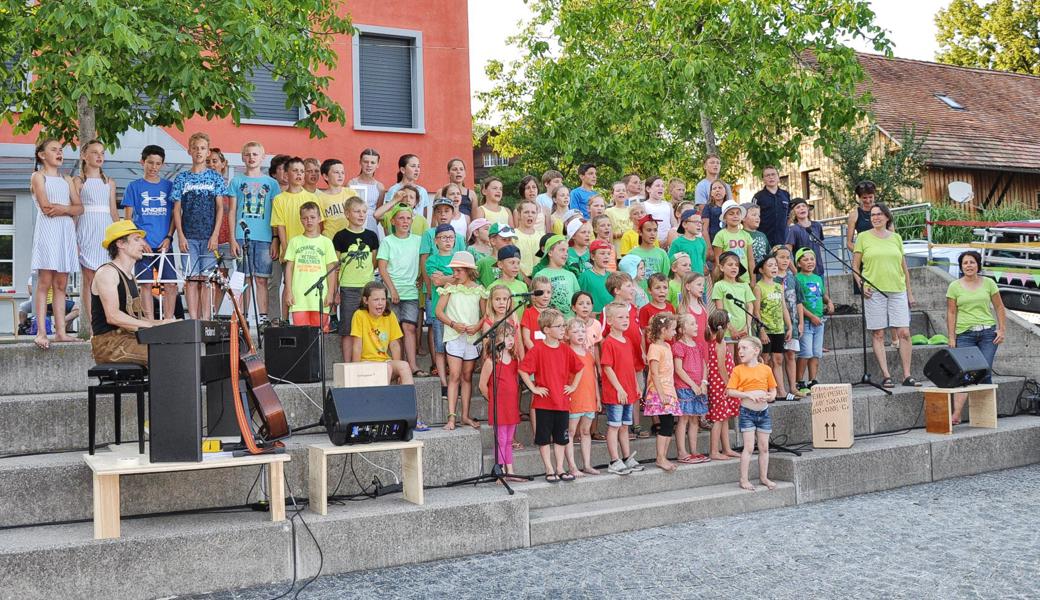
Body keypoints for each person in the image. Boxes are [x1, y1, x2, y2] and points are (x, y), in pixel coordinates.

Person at [851, 202, 919, 388]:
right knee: (879, 333)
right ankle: (886, 375)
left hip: (897, 289)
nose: (876, 217)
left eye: (879, 214)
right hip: (874, 291)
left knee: (904, 332)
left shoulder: (896, 237)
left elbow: (904, 267)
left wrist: (909, 293)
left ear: (887, 217)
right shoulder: (863, 237)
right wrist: (861, 284)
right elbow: (855, 267)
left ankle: (907, 375)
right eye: (872, 215)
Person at [90, 221, 172, 365]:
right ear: (121, 244)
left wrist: (164, 323)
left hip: (127, 339)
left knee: (176, 347)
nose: (142, 243)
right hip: (110, 345)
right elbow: (113, 316)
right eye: (136, 239)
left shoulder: (131, 277)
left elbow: (134, 318)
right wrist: (153, 326)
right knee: (166, 355)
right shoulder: (107, 273)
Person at [519, 308, 584, 483]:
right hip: (543, 403)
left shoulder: (565, 349)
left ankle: (560, 467)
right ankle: (549, 467)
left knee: (561, 438)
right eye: (559, 326)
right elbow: (523, 369)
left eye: (563, 325)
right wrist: (534, 388)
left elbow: (580, 367)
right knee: (544, 437)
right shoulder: (538, 349)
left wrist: (573, 386)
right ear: (547, 329)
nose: (563, 329)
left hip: (562, 402)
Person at [30, 138, 81, 349]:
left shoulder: (67, 179)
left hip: (65, 233)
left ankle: (61, 332)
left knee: (61, 284)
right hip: (48, 232)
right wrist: (66, 209)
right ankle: (42, 332)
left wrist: (63, 209)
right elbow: (45, 207)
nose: (59, 153)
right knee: (44, 283)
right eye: (54, 150)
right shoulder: (38, 176)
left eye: (61, 150)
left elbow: (79, 208)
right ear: (42, 155)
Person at [171, 132, 228, 320]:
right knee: (191, 279)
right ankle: (193, 319)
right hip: (189, 236)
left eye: (202, 148)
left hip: (208, 237)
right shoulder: (181, 178)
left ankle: (206, 319)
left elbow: (220, 208)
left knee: (207, 280)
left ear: (207, 151)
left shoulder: (215, 178)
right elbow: (177, 209)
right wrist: (180, 235)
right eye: (195, 148)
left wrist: (215, 235)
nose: (199, 152)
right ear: (189, 150)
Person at [946, 250, 1007, 424]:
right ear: (961, 266)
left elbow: (999, 307)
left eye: (972, 262)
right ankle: (957, 414)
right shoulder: (954, 286)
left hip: (988, 334)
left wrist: (1001, 330)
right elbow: (951, 312)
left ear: (978, 264)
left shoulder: (988, 283)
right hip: (964, 334)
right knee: (964, 372)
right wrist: (951, 337)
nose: (969, 266)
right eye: (965, 263)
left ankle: (985, 414)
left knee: (984, 369)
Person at [122, 144, 177, 320]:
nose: (154, 167)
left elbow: (175, 216)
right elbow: (128, 219)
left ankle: (168, 320)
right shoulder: (134, 187)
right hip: (142, 245)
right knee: (145, 284)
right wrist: (139, 241)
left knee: (170, 284)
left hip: (164, 244)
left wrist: (169, 237)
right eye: (150, 162)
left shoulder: (169, 186)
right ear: (142, 162)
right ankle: (149, 321)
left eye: (158, 163)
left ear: (162, 165)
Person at [436, 251, 487, 431]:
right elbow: (439, 311)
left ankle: (465, 415)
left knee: (467, 376)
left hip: (471, 337)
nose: (455, 274)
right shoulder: (450, 288)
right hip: (454, 336)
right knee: (455, 376)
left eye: (459, 271)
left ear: (468, 271)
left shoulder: (479, 290)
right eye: (454, 271)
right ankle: (451, 417)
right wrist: (453, 324)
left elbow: (486, 314)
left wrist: (478, 326)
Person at [231, 141, 281, 324]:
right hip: (242, 236)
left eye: (255, 154)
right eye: (248, 154)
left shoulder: (272, 184)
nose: (251, 157)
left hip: (265, 238)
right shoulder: (236, 181)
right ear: (243, 157)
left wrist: (275, 238)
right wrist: (232, 238)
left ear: (262, 157)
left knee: (262, 280)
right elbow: (232, 211)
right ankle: (243, 319)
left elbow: (276, 214)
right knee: (245, 279)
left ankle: (262, 319)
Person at [74, 139, 119, 332]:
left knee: (108, 275)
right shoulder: (78, 181)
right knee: (89, 277)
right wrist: (73, 238)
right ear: (84, 156)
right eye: (94, 152)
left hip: (105, 230)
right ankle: (95, 325)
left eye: (102, 152)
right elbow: (76, 211)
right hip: (86, 229)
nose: (100, 156)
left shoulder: (109, 182)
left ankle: (111, 318)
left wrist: (120, 235)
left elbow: (114, 211)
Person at [377, 202, 424, 377]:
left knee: (409, 327)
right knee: (395, 330)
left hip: (411, 291)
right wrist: (392, 290)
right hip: (392, 292)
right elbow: (382, 267)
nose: (405, 222)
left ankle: (412, 365)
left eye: (408, 218)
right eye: (401, 218)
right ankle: (397, 366)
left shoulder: (418, 240)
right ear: (394, 221)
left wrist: (420, 277)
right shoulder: (388, 241)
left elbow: (423, 262)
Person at [271, 157, 322, 320]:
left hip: (309, 250)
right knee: (288, 285)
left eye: (302, 171)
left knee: (306, 284)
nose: (299, 174)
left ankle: (308, 319)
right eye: (295, 171)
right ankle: (285, 320)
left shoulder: (312, 197)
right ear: (286, 174)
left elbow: (319, 225)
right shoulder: (280, 199)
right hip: (290, 250)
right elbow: (280, 225)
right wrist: (285, 249)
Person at [728, 336, 778, 491]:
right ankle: (744, 479)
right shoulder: (738, 370)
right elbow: (730, 391)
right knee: (748, 447)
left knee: (764, 447)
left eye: (744, 348)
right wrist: (748, 395)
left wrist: (772, 396)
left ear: (756, 351)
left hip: (763, 412)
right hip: (747, 413)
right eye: (739, 349)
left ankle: (763, 477)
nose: (740, 351)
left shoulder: (766, 369)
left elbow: (773, 389)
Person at [333, 196, 379, 363]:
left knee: (369, 326)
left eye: (364, 212)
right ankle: (348, 365)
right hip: (348, 288)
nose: (361, 215)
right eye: (356, 211)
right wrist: (335, 291)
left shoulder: (372, 236)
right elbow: (335, 267)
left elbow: (374, 261)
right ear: (347, 214)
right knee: (347, 328)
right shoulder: (340, 237)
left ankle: (367, 360)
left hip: (368, 288)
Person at [477, 321, 525, 481]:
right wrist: (493, 400)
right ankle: (501, 470)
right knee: (501, 439)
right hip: (499, 406)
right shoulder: (492, 362)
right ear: (497, 339)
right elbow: (482, 385)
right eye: (506, 336)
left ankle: (510, 470)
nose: (511, 339)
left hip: (511, 406)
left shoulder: (514, 359)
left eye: (512, 336)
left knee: (510, 439)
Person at [600, 302, 641, 475]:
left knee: (625, 426)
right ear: (609, 320)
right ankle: (614, 460)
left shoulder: (628, 340)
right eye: (620, 317)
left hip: (629, 391)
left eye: (627, 317)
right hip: (616, 392)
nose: (625, 320)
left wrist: (636, 385)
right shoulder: (609, 342)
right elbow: (607, 367)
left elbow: (630, 366)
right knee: (614, 426)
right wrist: (619, 388)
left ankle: (626, 457)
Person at [283, 202, 337, 330]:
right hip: (299, 297)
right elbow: (289, 268)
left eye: (312, 217)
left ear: (319, 219)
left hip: (320, 298)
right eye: (305, 218)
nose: (309, 221)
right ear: (301, 220)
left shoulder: (326, 242)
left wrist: (330, 293)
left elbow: (331, 269)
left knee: (318, 334)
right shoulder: (294, 242)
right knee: (301, 334)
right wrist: (289, 292)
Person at [350, 281, 414, 385]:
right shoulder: (359, 315)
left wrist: (397, 370)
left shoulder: (390, 316)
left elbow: (394, 345)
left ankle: (408, 400)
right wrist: (355, 372)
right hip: (366, 362)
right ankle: (384, 400)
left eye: (383, 299)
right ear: (365, 300)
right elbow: (357, 345)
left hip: (384, 361)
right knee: (386, 369)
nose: (380, 303)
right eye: (376, 299)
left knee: (404, 366)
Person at [425, 223, 458, 402]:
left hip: (457, 311)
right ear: (436, 241)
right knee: (440, 348)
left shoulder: (459, 258)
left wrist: (446, 278)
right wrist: (452, 278)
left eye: (451, 237)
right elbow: (436, 282)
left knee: (454, 349)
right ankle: (444, 383)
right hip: (440, 311)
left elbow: (463, 278)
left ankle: (454, 380)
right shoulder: (432, 260)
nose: (447, 241)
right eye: (444, 238)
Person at [644, 312, 681, 472]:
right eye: (672, 329)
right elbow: (654, 373)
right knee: (665, 425)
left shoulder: (667, 346)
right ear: (663, 329)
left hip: (669, 390)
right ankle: (660, 457)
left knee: (669, 425)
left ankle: (663, 456)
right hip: (660, 392)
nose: (675, 332)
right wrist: (661, 395)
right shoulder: (654, 348)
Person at [672, 313, 710, 464]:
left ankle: (694, 451)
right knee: (684, 419)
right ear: (682, 329)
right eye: (692, 324)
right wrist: (693, 385)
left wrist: (703, 382)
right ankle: (682, 452)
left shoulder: (699, 345)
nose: (697, 326)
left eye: (696, 323)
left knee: (695, 420)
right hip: (685, 388)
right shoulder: (678, 346)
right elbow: (679, 369)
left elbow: (704, 365)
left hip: (699, 387)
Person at [564, 319, 599, 477]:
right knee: (571, 432)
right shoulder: (567, 353)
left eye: (582, 331)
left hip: (589, 397)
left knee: (585, 431)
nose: (580, 334)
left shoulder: (589, 354)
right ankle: (572, 466)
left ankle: (587, 464)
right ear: (567, 334)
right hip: (574, 398)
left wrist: (597, 397)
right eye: (575, 331)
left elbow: (593, 377)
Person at [754, 255, 792, 401]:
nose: (774, 268)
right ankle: (765, 391)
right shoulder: (758, 287)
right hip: (767, 329)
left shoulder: (778, 286)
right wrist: (761, 329)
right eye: (770, 265)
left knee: (778, 359)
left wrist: (788, 326)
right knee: (765, 359)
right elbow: (756, 311)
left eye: (775, 265)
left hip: (779, 328)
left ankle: (781, 391)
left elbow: (783, 307)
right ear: (762, 270)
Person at [795, 248, 833, 393]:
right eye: (805, 260)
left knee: (816, 353)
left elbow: (822, 295)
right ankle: (800, 381)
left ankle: (813, 380)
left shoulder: (817, 278)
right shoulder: (798, 278)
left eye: (812, 259)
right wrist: (811, 316)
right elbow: (798, 303)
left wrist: (829, 302)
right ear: (798, 263)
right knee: (806, 352)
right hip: (807, 321)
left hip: (819, 321)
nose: (809, 262)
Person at [705, 310, 740, 461]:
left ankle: (726, 448)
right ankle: (714, 451)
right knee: (719, 419)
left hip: (716, 383)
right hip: (721, 384)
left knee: (724, 417)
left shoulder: (711, 340)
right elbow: (721, 366)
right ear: (725, 326)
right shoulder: (720, 342)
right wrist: (729, 384)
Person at [774, 246, 804, 399]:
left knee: (791, 355)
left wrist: (801, 323)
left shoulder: (793, 278)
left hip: (792, 323)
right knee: (777, 357)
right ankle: (780, 389)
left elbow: (799, 302)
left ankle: (793, 387)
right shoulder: (771, 278)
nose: (785, 260)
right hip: (776, 324)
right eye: (781, 257)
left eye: (787, 258)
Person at [532, 235, 580, 317]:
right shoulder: (540, 275)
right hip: (549, 323)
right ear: (550, 253)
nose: (566, 254)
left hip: (570, 324)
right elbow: (534, 302)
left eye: (567, 251)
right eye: (562, 250)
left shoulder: (571, 275)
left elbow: (578, 299)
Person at [712, 251, 755, 342]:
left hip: (745, 331)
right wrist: (731, 329)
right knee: (729, 356)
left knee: (744, 354)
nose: (734, 267)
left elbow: (750, 306)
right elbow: (720, 311)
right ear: (721, 267)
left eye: (736, 265)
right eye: (730, 264)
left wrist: (747, 326)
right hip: (728, 331)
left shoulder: (744, 286)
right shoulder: (719, 285)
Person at [206, 147, 236, 274]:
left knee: (222, 279)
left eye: (215, 161)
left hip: (224, 240)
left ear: (223, 164)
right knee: (204, 278)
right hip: (205, 240)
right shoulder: (200, 187)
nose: (211, 165)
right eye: (208, 161)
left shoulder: (229, 189)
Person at [317, 158, 359, 241]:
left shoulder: (352, 193)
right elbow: (319, 225)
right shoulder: (319, 198)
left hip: (349, 239)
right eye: (336, 172)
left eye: (342, 172)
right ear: (325, 176)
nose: (340, 175)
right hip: (329, 241)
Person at [713, 200, 753, 285]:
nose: (735, 216)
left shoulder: (746, 235)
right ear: (724, 218)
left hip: (744, 279)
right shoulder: (720, 235)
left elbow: (750, 259)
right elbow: (718, 260)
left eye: (738, 213)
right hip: (727, 279)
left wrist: (753, 280)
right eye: (731, 214)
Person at [752, 166, 791, 249]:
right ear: (763, 179)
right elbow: (752, 218)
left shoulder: (785, 195)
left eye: (773, 174)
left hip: (782, 241)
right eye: (767, 175)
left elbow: (788, 217)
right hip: (764, 240)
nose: (771, 177)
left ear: (778, 177)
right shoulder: (758, 197)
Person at [382, 154, 430, 221]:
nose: (417, 170)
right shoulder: (393, 190)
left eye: (418, 166)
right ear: (402, 170)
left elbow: (424, 217)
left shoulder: (422, 191)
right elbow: (387, 217)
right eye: (413, 166)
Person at [785, 197, 825, 277]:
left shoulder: (817, 226)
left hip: (819, 272)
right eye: (798, 207)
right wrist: (795, 271)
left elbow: (820, 247)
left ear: (807, 209)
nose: (801, 208)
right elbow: (787, 253)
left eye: (803, 206)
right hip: (803, 274)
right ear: (794, 213)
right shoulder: (794, 230)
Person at [349, 148, 385, 236]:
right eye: (366, 162)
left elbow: (378, 210)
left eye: (372, 162)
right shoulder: (352, 183)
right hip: (354, 225)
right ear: (360, 162)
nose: (369, 165)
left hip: (371, 225)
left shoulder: (380, 187)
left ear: (377, 165)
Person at [628, 214, 671, 279]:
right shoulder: (632, 254)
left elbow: (665, 278)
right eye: (649, 230)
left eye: (655, 230)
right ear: (640, 232)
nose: (652, 233)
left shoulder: (662, 254)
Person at [578, 239, 615, 315]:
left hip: (610, 318)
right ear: (592, 256)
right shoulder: (585, 276)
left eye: (608, 254)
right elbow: (579, 298)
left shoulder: (612, 276)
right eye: (602, 253)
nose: (606, 256)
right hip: (593, 319)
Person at [669, 209, 709, 276]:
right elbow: (671, 263)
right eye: (696, 222)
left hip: (699, 281)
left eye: (700, 222)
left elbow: (703, 261)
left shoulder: (702, 241)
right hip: (684, 281)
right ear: (684, 224)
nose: (699, 225)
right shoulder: (677, 243)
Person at [520, 276, 553, 351]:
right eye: (542, 292)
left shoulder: (554, 313)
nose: (546, 296)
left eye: (548, 292)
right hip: (534, 355)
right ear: (533, 294)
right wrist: (537, 355)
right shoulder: (528, 313)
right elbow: (526, 339)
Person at [514, 199, 545, 277]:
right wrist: (525, 279)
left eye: (533, 212)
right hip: (519, 279)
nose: (530, 215)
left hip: (540, 278)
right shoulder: (513, 235)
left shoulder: (541, 235)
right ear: (519, 214)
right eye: (526, 212)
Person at [845, 180, 876, 252]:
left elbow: (892, 235)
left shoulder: (883, 211)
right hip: (864, 253)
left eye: (870, 197)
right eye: (864, 198)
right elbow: (849, 243)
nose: (868, 200)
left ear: (874, 196)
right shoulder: (854, 215)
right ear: (859, 198)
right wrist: (861, 253)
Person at [642, 176, 673, 243]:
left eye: (662, 186)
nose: (661, 188)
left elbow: (674, 225)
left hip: (668, 243)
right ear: (648, 189)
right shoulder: (643, 205)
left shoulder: (668, 205)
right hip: (652, 243)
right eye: (657, 186)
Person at [701, 179, 728, 248]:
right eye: (714, 188)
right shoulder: (708, 207)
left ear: (725, 192)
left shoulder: (730, 206)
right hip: (713, 242)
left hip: (728, 241)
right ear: (711, 193)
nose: (717, 190)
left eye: (720, 188)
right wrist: (709, 247)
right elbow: (704, 229)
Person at [743, 204, 770, 268]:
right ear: (743, 218)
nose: (757, 218)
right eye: (754, 215)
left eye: (758, 215)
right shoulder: (740, 235)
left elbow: (768, 253)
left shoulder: (762, 235)